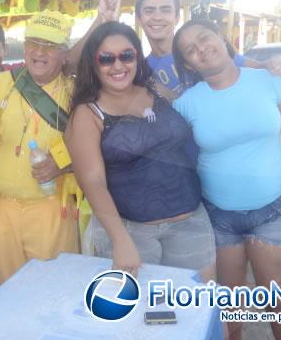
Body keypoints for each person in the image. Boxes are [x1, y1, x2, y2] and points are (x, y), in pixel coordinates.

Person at [171, 19, 281, 340]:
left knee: (279, 307)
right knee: (228, 312)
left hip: (272, 212)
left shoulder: (268, 81)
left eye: (205, 38)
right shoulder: (185, 103)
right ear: (187, 64)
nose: (202, 49)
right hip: (218, 217)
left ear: (222, 38)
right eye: (191, 50)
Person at [64, 21, 216, 280]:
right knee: (138, 316)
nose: (118, 65)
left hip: (191, 223)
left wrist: (261, 68)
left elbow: (216, 76)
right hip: (130, 232)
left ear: (136, 55)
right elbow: (93, 181)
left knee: (201, 309)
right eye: (106, 58)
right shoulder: (87, 113)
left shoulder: (156, 89)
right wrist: (120, 241)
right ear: (93, 63)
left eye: (126, 55)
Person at [0, 10, 84, 284]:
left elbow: (92, 146)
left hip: (51, 209)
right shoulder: (2, 83)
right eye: (33, 43)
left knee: (54, 286)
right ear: (23, 48)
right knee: (10, 286)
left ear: (64, 54)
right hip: (4, 208)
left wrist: (61, 165)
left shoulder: (75, 90)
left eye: (50, 46)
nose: (40, 52)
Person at [133, 0, 281, 96]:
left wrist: (275, 63)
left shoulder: (206, 52)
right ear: (139, 19)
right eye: (149, 11)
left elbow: (258, 67)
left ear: (177, 17)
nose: (157, 17)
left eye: (165, 10)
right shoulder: (142, 70)